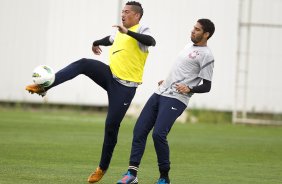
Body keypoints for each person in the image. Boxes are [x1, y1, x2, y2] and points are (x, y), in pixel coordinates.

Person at [25, 1, 156, 183]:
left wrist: (128, 32)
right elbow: (109, 40)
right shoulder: (120, 32)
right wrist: (96, 42)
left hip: (125, 88)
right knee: (84, 63)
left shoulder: (142, 29)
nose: (123, 14)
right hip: (110, 76)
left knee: (111, 126)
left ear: (136, 15)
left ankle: (102, 168)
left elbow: (151, 41)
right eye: (122, 11)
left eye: (126, 12)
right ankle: (45, 86)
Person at [116, 18, 215, 184]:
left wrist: (189, 89)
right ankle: (131, 174)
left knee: (158, 134)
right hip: (160, 92)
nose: (193, 31)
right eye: (193, 27)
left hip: (177, 98)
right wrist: (167, 81)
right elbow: (182, 71)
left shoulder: (207, 56)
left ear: (206, 34)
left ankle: (164, 177)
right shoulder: (188, 46)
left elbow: (207, 86)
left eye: (197, 29)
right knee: (139, 130)